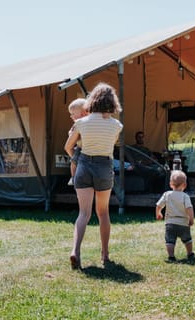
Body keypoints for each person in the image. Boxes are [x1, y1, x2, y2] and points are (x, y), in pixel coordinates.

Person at [64, 83, 123, 270]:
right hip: (104, 166)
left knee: (84, 213)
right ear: (111, 102)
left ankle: (75, 251)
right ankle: (105, 255)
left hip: (83, 165)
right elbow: (110, 145)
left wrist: (77, 156)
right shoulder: (116, 125)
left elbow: (68, 146)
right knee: (103, 213)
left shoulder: (80, 123)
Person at [156, 170, 195, 264]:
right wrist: (191, 219)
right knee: (187, 239)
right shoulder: (185, 196)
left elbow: (158, 205)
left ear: (171, 184)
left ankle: (171, 256)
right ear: (185, 185)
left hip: (170, 223)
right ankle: (190, 253)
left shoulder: (167, 194)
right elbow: (189, 208)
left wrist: (158, 213)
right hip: (183, 223)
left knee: (170, 241)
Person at [66, 98, 89, 186]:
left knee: (74, 161)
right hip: (81, 147)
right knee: (74, 161)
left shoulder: (80, 123)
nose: (71, 116)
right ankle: (73, 177)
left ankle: (74, 176)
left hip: (84, 148)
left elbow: (72, 139)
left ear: (83, 113)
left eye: (73, 114)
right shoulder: (77, 124)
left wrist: (71, 134)